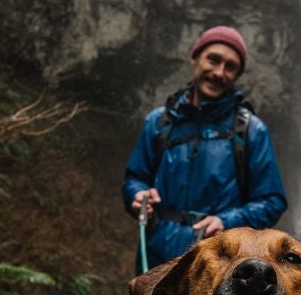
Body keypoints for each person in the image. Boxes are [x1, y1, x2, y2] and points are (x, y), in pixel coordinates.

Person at [123, 26, 288, 272]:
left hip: (219, 258)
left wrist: (227, 222)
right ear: (195, 59)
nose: (219, 72)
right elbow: (134, 179)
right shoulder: (158, 123)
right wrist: (137, 196)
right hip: (158, 252)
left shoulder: (251, 131)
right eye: (213, 60)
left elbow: (272, 200)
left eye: (230, 67)